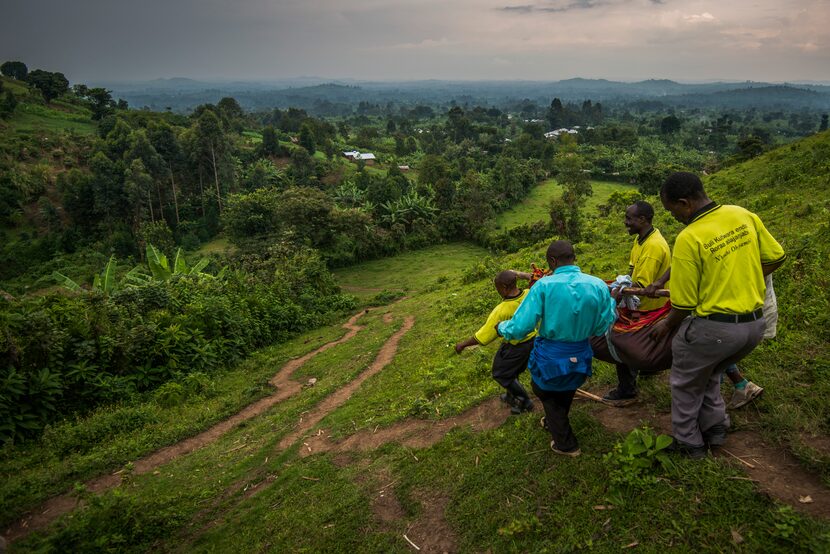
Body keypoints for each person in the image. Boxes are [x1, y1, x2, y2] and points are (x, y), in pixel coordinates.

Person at [650, 172, 785, 458]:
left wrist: (665, 325)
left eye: (671, 210)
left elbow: (684, 304)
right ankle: (716, 428)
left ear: (684, 203)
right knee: (710, 372)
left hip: (715, 330)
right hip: (753, 326)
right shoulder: (741, 214)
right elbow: (776, 257)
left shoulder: (690, 236)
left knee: (685, 381)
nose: (672, 216)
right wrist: (744, 278)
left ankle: (689, 443)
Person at [497, 241, 617, 456]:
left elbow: (520, 327)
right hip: (581, 353)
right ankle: (554, 422)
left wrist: (501, 327)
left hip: (550, 356)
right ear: (574, 257)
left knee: (546, 392)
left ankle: (566, 444)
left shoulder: (544, 286)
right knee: (567, 387)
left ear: (552, 261)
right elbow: (604, 323)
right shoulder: (598, 285)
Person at [647, 269, 774, 409]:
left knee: (710, 356)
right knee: (717, 355)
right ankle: (739, 386)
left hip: (732, 312)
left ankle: (710, 407)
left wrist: (667, 323)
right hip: (745, 314)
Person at [603, 200, 671, 406]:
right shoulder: (641, 239)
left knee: (621, 341)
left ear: (642, 220)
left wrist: (613, 293)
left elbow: (640, 285)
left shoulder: (652, 247)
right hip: (642, 303)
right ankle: (647, 369)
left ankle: (627, 388)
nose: (625, 222)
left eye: (629, 218)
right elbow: (633, 271)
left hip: (649, 308)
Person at [455, 270, 536, 414]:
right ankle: (511, 395)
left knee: (501, 373)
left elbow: (484, 336)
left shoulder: (501, 311)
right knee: (513, 369)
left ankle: (524, 401)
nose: (497, 290)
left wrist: (463, 344)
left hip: (516, 345)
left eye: (497, 287)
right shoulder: (529, 294)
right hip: (532, 340)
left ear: (504, 288)